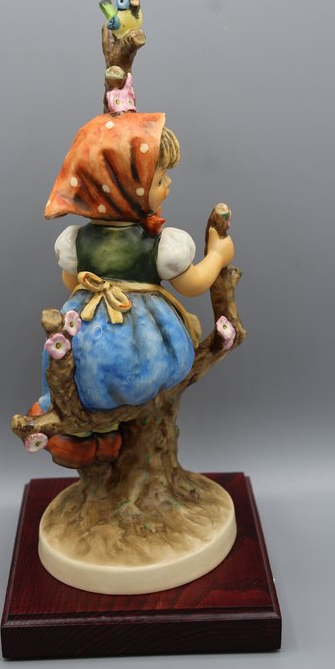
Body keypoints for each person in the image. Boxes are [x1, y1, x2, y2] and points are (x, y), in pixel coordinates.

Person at [29, 112, 233, 467]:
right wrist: (217, 255)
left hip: (85, 338)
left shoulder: (78, 240)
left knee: (87, 377)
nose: (168, 184)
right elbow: (193, 284)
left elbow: (71, 283)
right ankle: (107, 433)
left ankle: (97, 434)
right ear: (125, 191)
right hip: (138, 344)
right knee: (137, 371)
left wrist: (94, 286)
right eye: (160, 179)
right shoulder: (159, 244)